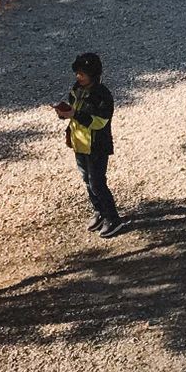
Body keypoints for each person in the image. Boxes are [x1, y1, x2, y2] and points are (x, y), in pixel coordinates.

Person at [55, 53, 126, 236]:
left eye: (82, 74)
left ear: (93, 75)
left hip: (96, 146)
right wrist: (64, 113)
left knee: (97, 183)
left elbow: (100, 121)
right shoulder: (76, 89)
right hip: (79, 144)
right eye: (77, 73)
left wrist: (74, 115)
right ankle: (100, 211)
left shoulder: (102, 95)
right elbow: (74, 109)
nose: (78, 77)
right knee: (87, 181)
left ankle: (113, 218)